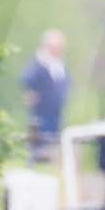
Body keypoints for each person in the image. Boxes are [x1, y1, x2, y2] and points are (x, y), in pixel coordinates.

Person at [20, 29, 70, 162]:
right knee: (39, 138)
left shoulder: (60, 64)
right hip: (41, 109)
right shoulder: (38, 63)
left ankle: (49, 160)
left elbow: (65, 82)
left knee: (53, 138)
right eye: (54, 47)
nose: (57, 50)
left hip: (56, 110)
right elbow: (26, 79)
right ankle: (36, 160)